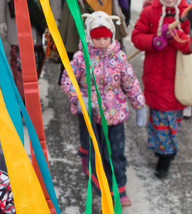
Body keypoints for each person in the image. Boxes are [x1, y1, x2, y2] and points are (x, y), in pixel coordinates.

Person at [60, 12, 146, 206]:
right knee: (93, 150)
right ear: (89, 37)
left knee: (115, 152)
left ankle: (119, 189)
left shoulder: (119, 58)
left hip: (114, 116)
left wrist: (139, 105)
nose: (101, 42)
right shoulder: (81, 59)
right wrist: (80, 100)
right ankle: (95, 178)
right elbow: (67, 80)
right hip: (89, 115)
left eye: (105, 38)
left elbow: (130, 83)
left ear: (112, 36)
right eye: (97, 38)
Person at [130, 0, 192, 179]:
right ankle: (163, 150)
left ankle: (166, 155)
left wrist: (175, 37)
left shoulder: (186, 14)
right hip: (155, 75)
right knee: (158, 117)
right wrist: (154, 40)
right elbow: (136, 37)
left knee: (169, 119)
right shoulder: (150, 12)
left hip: (178, 77)